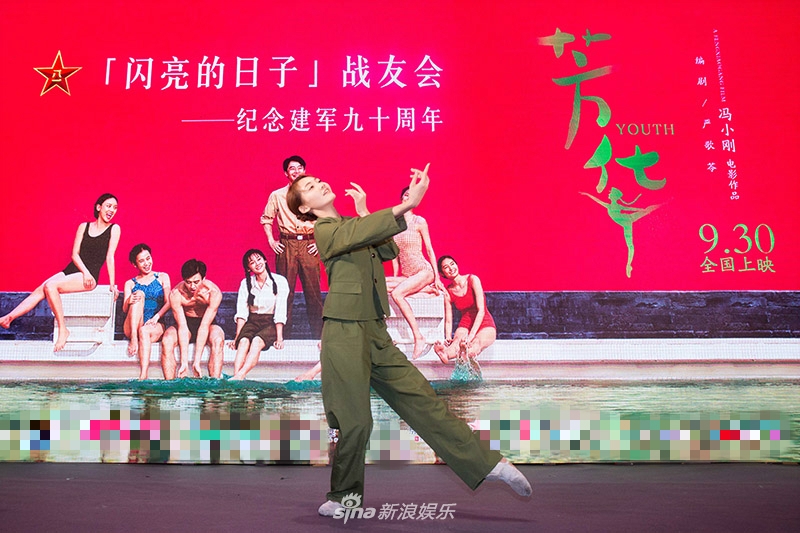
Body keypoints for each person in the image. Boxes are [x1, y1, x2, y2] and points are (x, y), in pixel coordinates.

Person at [286, 165, 531, 517]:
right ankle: (343, 498)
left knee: (422, 398)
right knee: (355, 421)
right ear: (305, 207)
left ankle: (486, 463)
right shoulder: (324, 231)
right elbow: (356, 235)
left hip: (374, 330)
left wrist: (366, 211)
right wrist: (406, 205)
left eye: (318, 180)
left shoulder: (355, 224)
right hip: (343, 331)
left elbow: (387, 250)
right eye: (310, 186)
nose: (320, 184)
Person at [1, 193, 121, 351]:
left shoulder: (114, 229)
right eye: (108, 206)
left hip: (90, 276)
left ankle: (63, 330)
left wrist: (112, 284)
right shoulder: (84, 226)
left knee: (51, 286)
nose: (111, 210)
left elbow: (110, 256)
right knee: (40, 289)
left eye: (115, 208)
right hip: (74, 270)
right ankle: (9, 318)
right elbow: (75, 255)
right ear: (99, 207)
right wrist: (84, 272)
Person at [261, 155, 324, 338]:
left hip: (308, 244)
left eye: (299, 168)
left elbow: (327, 220)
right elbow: (266, 219)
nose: (296, 171)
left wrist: (320, 243)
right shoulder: (277, 195)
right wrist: (271, 240)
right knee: (284, 292)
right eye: (291, 168)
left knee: (313, 293)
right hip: (287, 244)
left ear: (304, 170)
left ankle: (319, 337)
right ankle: (283, 337)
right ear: (286, 173)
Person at [385, 186, 444, 358]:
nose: (408, 197)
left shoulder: (419, 221)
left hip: (423, 270)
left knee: (397, 294)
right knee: (380, 283)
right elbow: (395, 257)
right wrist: (396, 277)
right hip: (408, 275)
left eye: (412, 196)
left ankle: (418, 336)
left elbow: (429, 250)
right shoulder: (395, 225)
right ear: (402, 198)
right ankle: (424, 289)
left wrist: (437, 277)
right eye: (405, 195)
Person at [229, 249, 290, 380]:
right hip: (253, 321)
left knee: (256, 341)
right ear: (248, 268)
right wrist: (237, 337)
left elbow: (280, 310)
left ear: (265, 260)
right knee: (243, 342)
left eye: (259, 259)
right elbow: (242, 312)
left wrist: (279, 338)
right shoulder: (246, 283)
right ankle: (236, 377)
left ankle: (240, 375)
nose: (257, 263)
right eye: (252, 262)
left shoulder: (280, 281)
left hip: (271, 322)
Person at [160, 259, 225, 380]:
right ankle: (169, 385)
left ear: (204, 278)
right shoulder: (176, 294)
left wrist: (196, 362)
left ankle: (215, 385)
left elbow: (204, 326)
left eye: (196, 282)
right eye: (188, 282)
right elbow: (182, 326)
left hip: (207, 324)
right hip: (186, 323)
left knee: (218, 339)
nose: (192, 286)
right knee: (167, 340)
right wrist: (184, 363)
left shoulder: (214, 293)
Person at [433, 256, 497, 368]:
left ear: (456, 265)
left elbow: (481, 310)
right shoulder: (448, 292)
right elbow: (448, 319)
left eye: (452, 264)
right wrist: (448, 336)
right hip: (465, 323)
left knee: (476, 342)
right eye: (446, 267)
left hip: (485, 322)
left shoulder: (473, 280)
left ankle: (464, 352)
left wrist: (471, 336)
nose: (451, 268)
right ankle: (445, 354)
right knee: (457, 341)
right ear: (442, 274)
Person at [122, 244, 171, 380]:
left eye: (148, 258)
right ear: (135, 264)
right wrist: (129, 300)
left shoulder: (162, 277)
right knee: (139, 294)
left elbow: (169, 302)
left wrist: (156, 317)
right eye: (141, 261)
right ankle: (134, 338)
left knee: (144, 331)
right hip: (132, 326)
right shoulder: (130, 283)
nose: (146, 263)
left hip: (154, 324)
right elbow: (125, 309)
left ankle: (143, 375)